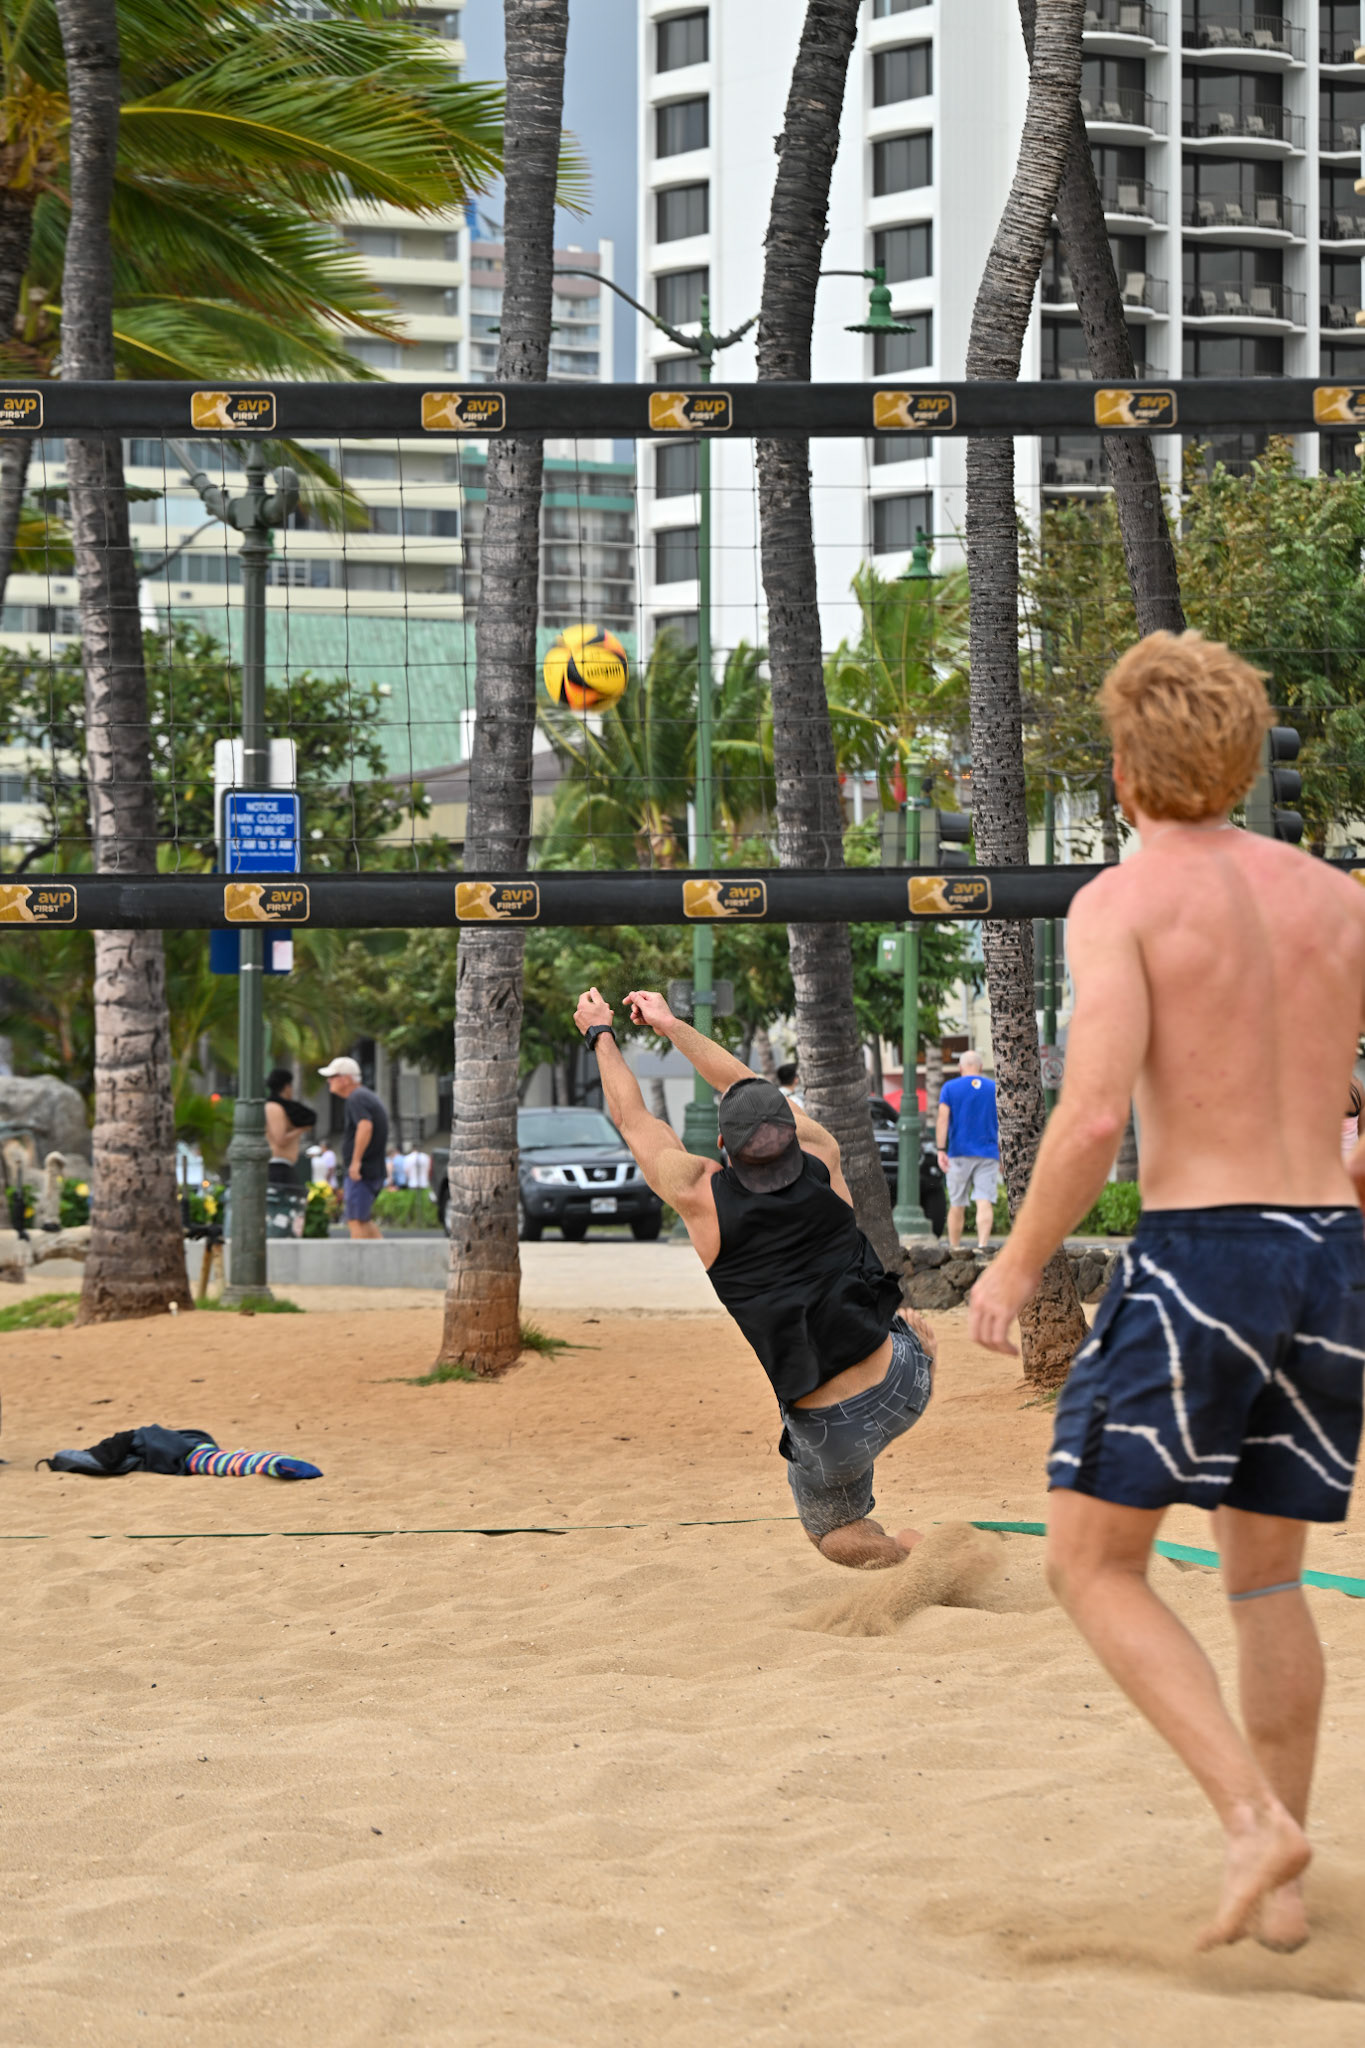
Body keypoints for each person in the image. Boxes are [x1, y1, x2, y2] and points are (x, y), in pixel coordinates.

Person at [968, 630, 1365, 1954]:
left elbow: (1087, 1123)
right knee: (1264, 1583)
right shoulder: (1338, 901)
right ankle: (1287, 1888)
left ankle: (1256, 1825)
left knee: (1091, 1563)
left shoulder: (1121, 902)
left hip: (1210, 1252)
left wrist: (1014, 1269)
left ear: (1126, 775)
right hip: (1327, 1248)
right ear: (1245, 764)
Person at [572, 985, 936, 1569]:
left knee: (837, 1536)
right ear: (789, 1133)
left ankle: (912, 1557)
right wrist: (671, 1024)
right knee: (888, 1320)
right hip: (906, 1382)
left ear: (723, 1146)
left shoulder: (700, 1197)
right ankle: (914, 1339)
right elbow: (747, 1089)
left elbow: (632, 1118)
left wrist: (600, 1033)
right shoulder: (823, 1155)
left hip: (830, 1432)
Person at [318, 1056, 389, 1240]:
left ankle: (360, 1264)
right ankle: (384, 1261)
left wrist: (356, 1162)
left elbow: (365, 1126)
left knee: (355, 1220)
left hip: (363, 1171)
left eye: (332, 1077)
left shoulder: (356, 1097)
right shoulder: (364, 1096)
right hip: (370, 1168)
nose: (329, 1081)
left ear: (345, 1079)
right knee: (362, 1219)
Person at [935, 1050, 998, 1251]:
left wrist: (940, 1149)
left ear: (960, 1068)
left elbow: (943, 1119)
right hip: (988, 1153)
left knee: (957, 1204)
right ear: (980, 1067)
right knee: (984, 1200)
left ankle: (955, 1249)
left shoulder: (950, 1088)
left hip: (958, 1153)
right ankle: (982, 1246)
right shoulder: (994, 1088)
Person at [264, 1069, 317, 1187]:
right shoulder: (274, 1107)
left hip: (284, 1166)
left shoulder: (281, 1107)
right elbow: (280, 1139)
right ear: (286, 1087)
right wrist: (302, 1129)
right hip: (276, 1166)